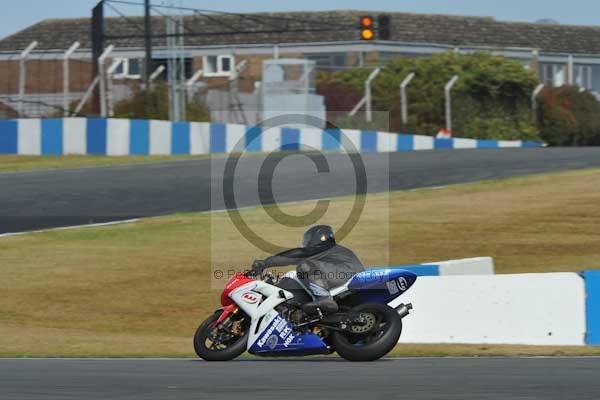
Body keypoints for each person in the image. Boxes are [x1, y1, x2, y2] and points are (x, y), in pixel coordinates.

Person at [252, 225, 365, 315]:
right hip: (346, 275)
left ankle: (323, 298)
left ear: (317, 237)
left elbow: (297, 255)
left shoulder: (326, 246)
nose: (305, 243)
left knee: (305, 266)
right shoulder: (331, 252)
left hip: (346, 272)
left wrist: (265, 263)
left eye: (308, 239)